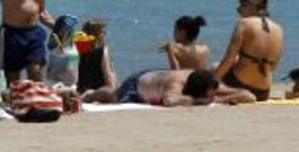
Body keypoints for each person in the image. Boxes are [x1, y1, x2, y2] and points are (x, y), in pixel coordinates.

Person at [214, 0, 284, 101]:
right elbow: (273, 66)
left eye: (243, 3)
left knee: (215, 68)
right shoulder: (279, 29)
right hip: (263, 92)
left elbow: (228, 59)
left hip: (240, 84)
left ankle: (223, 97)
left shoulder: (244, 24)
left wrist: (210, 83)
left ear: (252, 4)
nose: (239, 8)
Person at [82, 69, 255, 106]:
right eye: (209, 95)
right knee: (112, 97)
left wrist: (222, 99)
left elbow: (249, 95)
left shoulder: (210, 82)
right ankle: (90, 95)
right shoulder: (176, 83)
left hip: (156, 78)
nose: (212, 97)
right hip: (137, 84)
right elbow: (169, 100)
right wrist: (199, 101)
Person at [77, 19, 117, 94]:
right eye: (103, 32)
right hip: (99, 91)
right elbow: (107, 76)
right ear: (95, 34)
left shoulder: (80, 51)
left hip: (82, 89)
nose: (105, 34)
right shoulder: (102, 51)